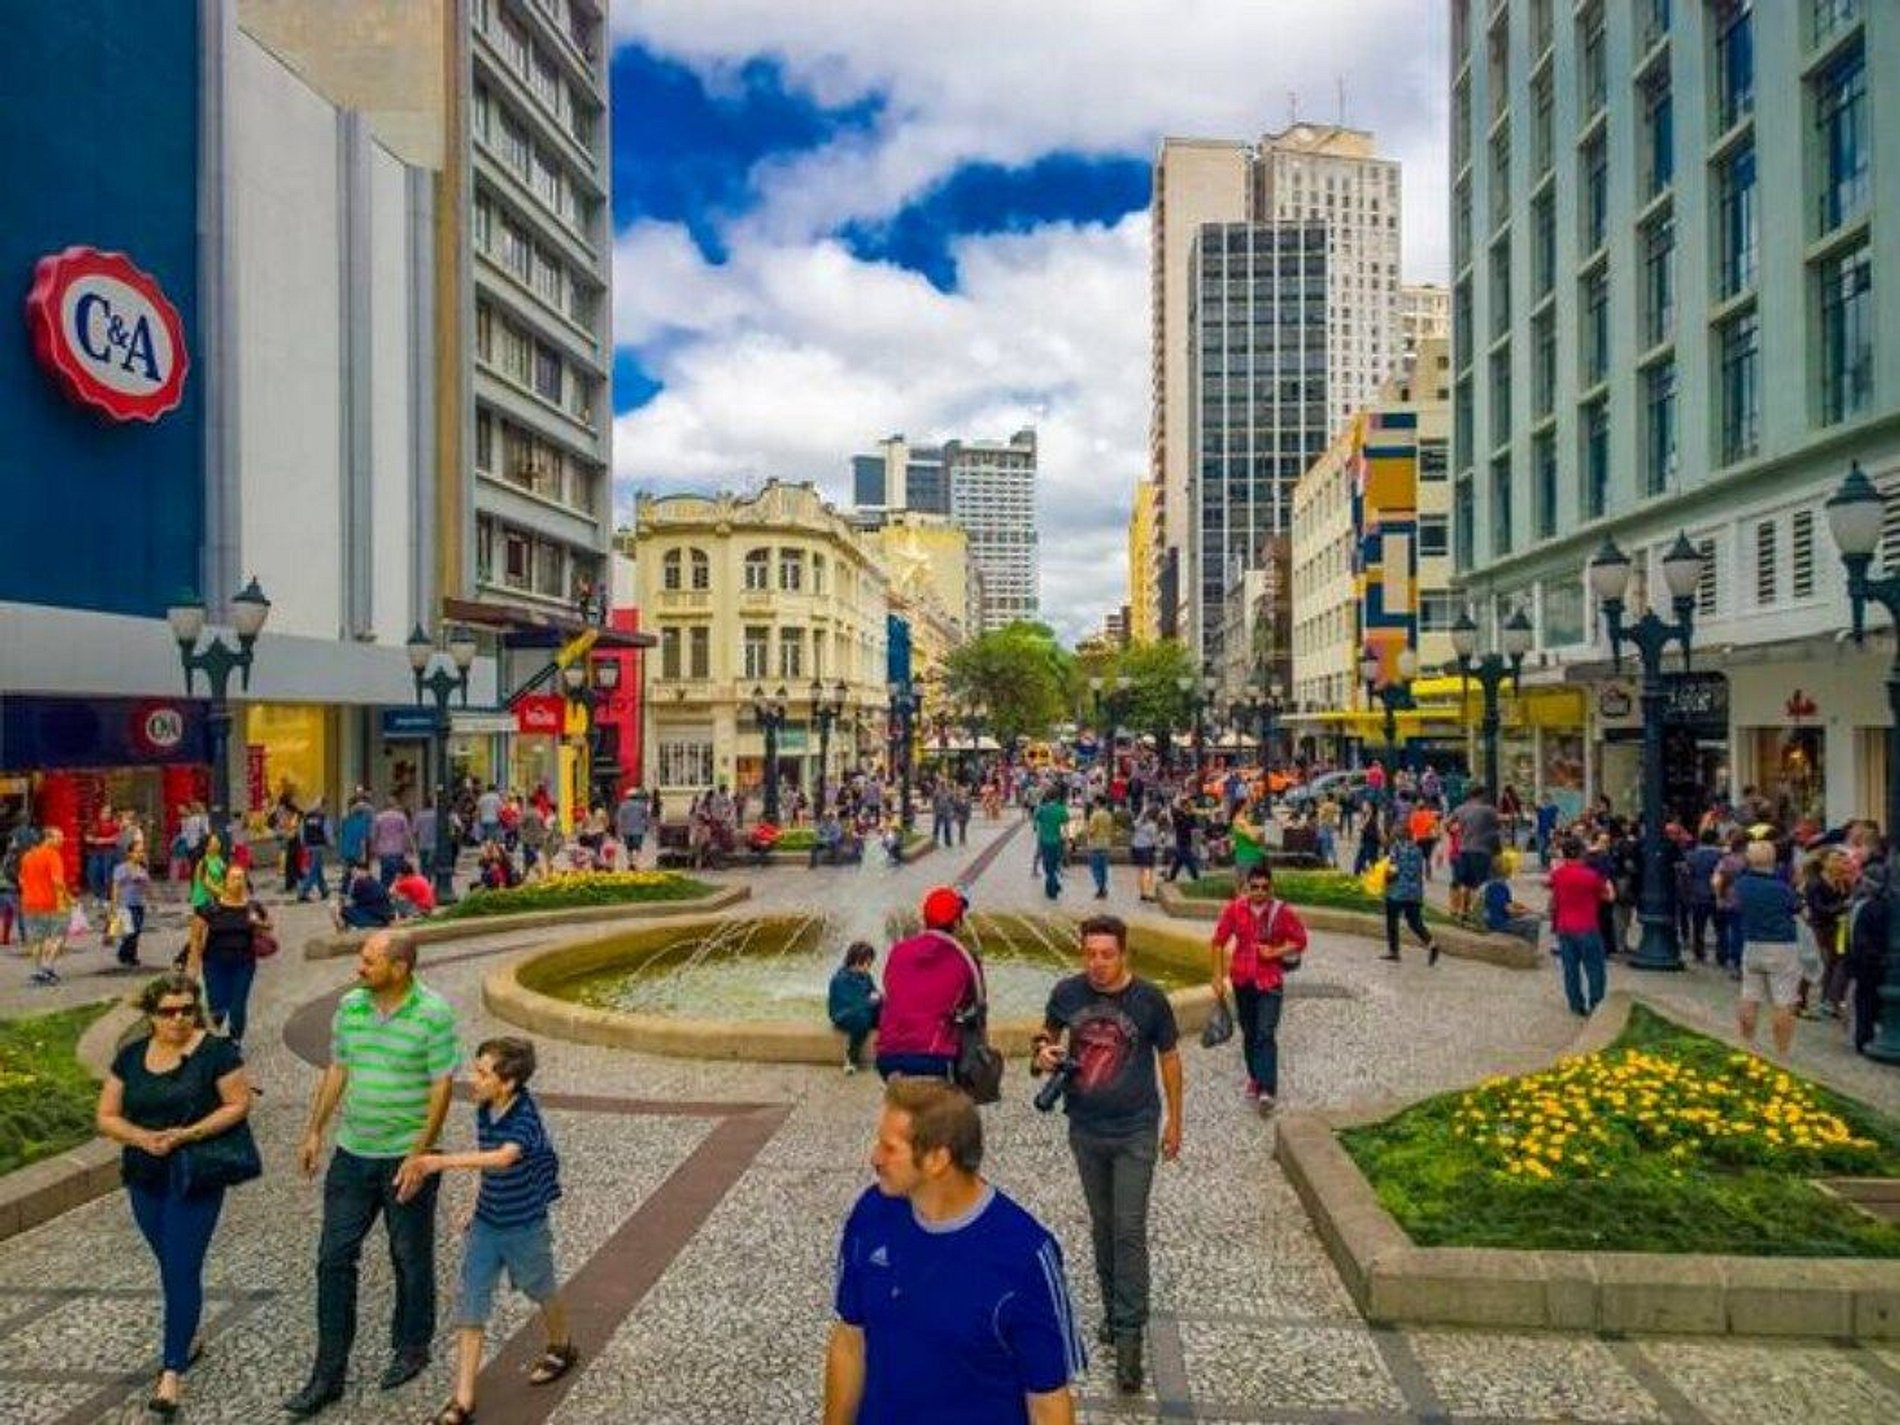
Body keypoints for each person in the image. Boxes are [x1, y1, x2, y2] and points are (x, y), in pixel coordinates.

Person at [823, 1078, 1084, 1425]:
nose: (874, 1157)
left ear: (937, 1159)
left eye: (889, 1148)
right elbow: (850, 1340)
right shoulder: (871, 1214)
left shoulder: (1025, 1256)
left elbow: (1048, 1403)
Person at [285, 932, 459, 1417]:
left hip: (407, 1155)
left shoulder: (433, 1012)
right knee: (333, 1258)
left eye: (369, 961)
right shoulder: (350, 1007)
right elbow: (337, 1069)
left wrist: (419, 1155)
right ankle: (328, 1373)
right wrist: (314, 1130)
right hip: (353, 1154)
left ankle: (412, 1346)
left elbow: (442, 1087)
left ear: (399, 968)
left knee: (409, 1255)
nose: (359, 968)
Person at [1032, 916, 1181, 1394]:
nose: (1097, 963)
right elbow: (1044, 1038)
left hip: (1136, 1129)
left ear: (1124, 954)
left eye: (1107, 955)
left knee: (1129, 1228)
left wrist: (1175, 1120)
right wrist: (1043, 1053)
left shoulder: (1150, 999)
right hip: (1086, 1129)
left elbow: (1170, 1058)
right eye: (1090, 954)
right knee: (1103, 1226)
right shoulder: (1067, 993)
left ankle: (1130, 1336)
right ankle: (1115, 1313)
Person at [95, 973, 255, 1417]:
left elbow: (238, 1103)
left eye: (187, 1009)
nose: (179, 1018)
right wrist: (142, 1137)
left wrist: (189, 1134)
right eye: (168, 1011)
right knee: (171, 1264)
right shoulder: (131, 1057)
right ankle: (188, 1332)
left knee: (181, 1268)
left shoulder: (217, 1053)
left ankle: (171, 1372)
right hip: (145, 1175)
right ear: (151, 1015)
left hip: (196, 1174)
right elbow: (106, 1115)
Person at [395, 1037, 575, 1425]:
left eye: (482, 1074)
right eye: (474, 1070)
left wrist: (438, 1162)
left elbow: (504, 1156)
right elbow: (487, 1161)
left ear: (507, 1083)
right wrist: (475, 1202)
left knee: (540, 1288)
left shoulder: (525, 1115)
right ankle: (462, 1402)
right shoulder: (484, 1108)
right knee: (471, 1303)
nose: (472, 1080)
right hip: (487, 1225)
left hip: (525, 1225)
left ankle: (562, 1344)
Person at [1209, 865, 1309, 1110]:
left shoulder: (1281, 912)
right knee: (1250, 1032)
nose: (1260, 892)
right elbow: (1218, 942)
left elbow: (1300, 940)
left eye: (1265, 887)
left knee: (1265, 1033)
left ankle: (1267, 1089)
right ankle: (1255, 1078)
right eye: (1255, 887)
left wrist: (1275, 952)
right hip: (1242, 980)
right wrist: (1217, 976)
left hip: (1270, 980)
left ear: (1271, 887)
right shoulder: (1235, 909)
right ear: (1247, 887)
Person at [875, 886, 978, 1081]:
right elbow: (972, 1004)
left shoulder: (899, 951)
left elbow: (890, 988)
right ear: (957, 923)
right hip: (933, 1056)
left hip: (887, 1057)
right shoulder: (964, 957)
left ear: (925, 920)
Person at [1733, 838, 1804, 1059]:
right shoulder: (1781, 888)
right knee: (1784, 1000)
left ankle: (1747, 1043)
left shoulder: (1742, 884)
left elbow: (1734, 903)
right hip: (1782, 945)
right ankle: (1782, 1052)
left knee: (1749, 995)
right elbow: (1798, 908)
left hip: (1752, 943)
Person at [188, 865, 271, 1050]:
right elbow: (195, 937)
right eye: (233, 878)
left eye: (241, 878)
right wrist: (192, 967)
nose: (237, 882)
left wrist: (259, 923)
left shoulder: (252, 907)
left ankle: (235, 1040)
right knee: (217, 1005)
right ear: (225, 881)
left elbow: (269, 924)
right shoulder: (210, 908)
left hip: (244, 964)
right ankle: (213, 1038)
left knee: (238, 1004)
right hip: (214, 964)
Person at [1548, 836, 1613, 1015]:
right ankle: (1596, 1003)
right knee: (1595, 969)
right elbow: (1607, 897)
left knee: (1570, 969)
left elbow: (1553, 899)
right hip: (1587, 925)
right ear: (1582, 853)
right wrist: (1609, 884)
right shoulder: (1591, 876)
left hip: (1564, 926)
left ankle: (1576, 1004)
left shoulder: (1558, 874)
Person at [1380, 824, 1439, 965]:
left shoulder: (1396, 848)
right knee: (1415, 922)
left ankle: (1394, 951)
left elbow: (1393, 870)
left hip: (1397, 892)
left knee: (1392, 920)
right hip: (1414, 893)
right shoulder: (1418, 850)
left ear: (1397, 836)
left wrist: (1385, 878)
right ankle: (1431, 943)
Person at [19, 825, 70, 985]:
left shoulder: (27, 856)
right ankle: (47, 968)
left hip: (29, 903)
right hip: (50, 903)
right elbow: (57, 881)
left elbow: (21, 879)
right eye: (58, 837)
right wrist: (68, 898)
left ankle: (39, 970)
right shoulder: (53, 855)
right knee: (57, 936)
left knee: (37, 940)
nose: (62, 840)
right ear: (48, 838)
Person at [1447, 785, 1503, 921]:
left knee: (1466, 882)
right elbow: (1497, 828)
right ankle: (1477, 913)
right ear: (1481, 795)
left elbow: (1447, 823)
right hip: (1483, 850)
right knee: (1480, 884)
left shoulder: (1460, 809)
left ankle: (1463, 911)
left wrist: (1455, 833)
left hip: (1464, 850)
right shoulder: (1489, 810)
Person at [828, 942, 883, 1074]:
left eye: (870, 963)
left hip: (865, 1010)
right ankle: (851, 1058)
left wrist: (879, 999)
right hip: (845, 1015)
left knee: (888, 1013)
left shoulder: (866, 977)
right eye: (867, 963)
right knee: (861, 1020)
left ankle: (885, 1055)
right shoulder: (840, 979)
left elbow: (873, 993)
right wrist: (870, 1001)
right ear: (856, 961)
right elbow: (851, 1005)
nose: (868, 967)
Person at [1480, 857, 1542, 950]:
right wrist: (1525, 912)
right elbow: (1508, 910)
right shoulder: (1498, 886)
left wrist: (1520, 906)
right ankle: (1530, 951)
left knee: (1527, 920)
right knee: (1533, 923)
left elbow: (1506, 903)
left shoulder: (1493, 884)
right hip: (1499, 923)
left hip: (1495, 919)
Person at [110, 844, 152, 967]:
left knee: (137, 930)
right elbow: (115, 887)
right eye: (136, 852)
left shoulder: (142, 869)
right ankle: (123, 954)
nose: (139, 854)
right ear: (129, 853)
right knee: (130, 931)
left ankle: (131, 955)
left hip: (139, 903)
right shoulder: (121, 868)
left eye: (141, 852)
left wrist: (144, 882)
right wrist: (114, 904)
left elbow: (148, 888)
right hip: (125, 904)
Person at [336, 861, 396, 930]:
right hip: (385, 916)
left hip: (372, 916)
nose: (354, 875)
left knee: (337, 908)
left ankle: (344, 929)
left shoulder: (360, 882)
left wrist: (353, 882)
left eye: (356, 872)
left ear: (362, 871)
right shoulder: (376, 881)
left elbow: (348, 900)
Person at [1033, 790, 1069, 900]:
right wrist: (1067, 840)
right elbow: (1065, 823)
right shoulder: (1061, 809)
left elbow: (1035, 819)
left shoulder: (1041, 809)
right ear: (1056, 798)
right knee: (1054, 865)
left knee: (1048, 867)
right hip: (1057, 841)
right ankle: (1054, 885)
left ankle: (1052, 891)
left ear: (1047, 797)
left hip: (1045, 841)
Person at [370, 799, 414, 888]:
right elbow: (407, 834)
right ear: (394, 806)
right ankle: (396, 890)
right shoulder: (401, 817)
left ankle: (385, 891)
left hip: (384, 850)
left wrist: (373, 849)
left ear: (385, 807)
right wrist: (410, 846)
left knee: (385, 873)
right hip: (398, 850)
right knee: (398, 873)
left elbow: (374, 835)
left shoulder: (379, 818)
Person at [297, 797, 333, 902]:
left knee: (317, 869)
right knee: (314, 870)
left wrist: (303, 843)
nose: (326, 809)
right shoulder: (323, 818)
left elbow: (301, 831)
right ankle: (303, 892)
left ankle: (324, 890)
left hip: (309, 845)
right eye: (325, 806)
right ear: (322, 807)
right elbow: (327, 832)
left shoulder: (306, 817)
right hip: (318, 846)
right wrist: (330, 843)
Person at [1083, 797, 1116, 901]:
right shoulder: (1108, 815)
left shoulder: (1095, 815)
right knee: (1103, 868)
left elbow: (1092, 831)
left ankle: (1100, 888)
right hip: (1106, 844)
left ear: (1097, 803)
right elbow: (1111, 830)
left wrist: (1087, 832)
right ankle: (1103, 887)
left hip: (1096, 844)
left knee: (1096, 868)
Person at [1129, 802, 1160, 902]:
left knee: (1141, 871)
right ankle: (1148, 893)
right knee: (1148, 871)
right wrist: (1157, 846)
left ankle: (1142, 892)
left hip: (1136, 848)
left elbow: (1133, 827)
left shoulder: (1139, 822)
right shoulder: (1152, 825)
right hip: (1146, 849)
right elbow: (1154, 840)